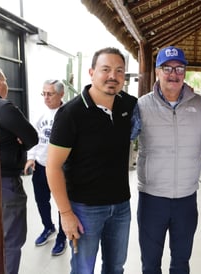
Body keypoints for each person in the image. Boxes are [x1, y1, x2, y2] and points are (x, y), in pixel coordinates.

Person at [45, 47, 137, 273]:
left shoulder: (128, 104)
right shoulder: (71, 113)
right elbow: (53, 167)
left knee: (116, 267)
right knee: (83, 269)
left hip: (121, 206)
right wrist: (65, 214)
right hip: (84, 209)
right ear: (91, 72)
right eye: (105, 69)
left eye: (119, 71)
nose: (112, 76)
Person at [132, 46, 201, 274]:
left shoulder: (200, 105)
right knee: (150, 263)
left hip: (186, 198)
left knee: (181, 262)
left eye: (179, 68)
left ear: (185, 72)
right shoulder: (141, 106)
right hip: (152, 198)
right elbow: (117, 140)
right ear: (157, 72)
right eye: (167, 68)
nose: (173, 74)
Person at [0, 67, 39, 274]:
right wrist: (17, 144)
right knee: (10, 241)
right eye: (4, 80)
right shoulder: (3, 108)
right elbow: (32, 138)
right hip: (4, 184)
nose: (7, 85)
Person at [24, 79, 66, 255]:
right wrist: (31, 158)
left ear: (61, 94)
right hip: (41, 166)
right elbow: (34, 138)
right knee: (41, 201)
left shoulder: (67, 114)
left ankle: (63, 237)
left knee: (62, 204)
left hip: (60, 169)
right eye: (44, 93)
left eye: (50, 94)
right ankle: (48, 227)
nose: (46, 98)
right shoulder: (40, 114)